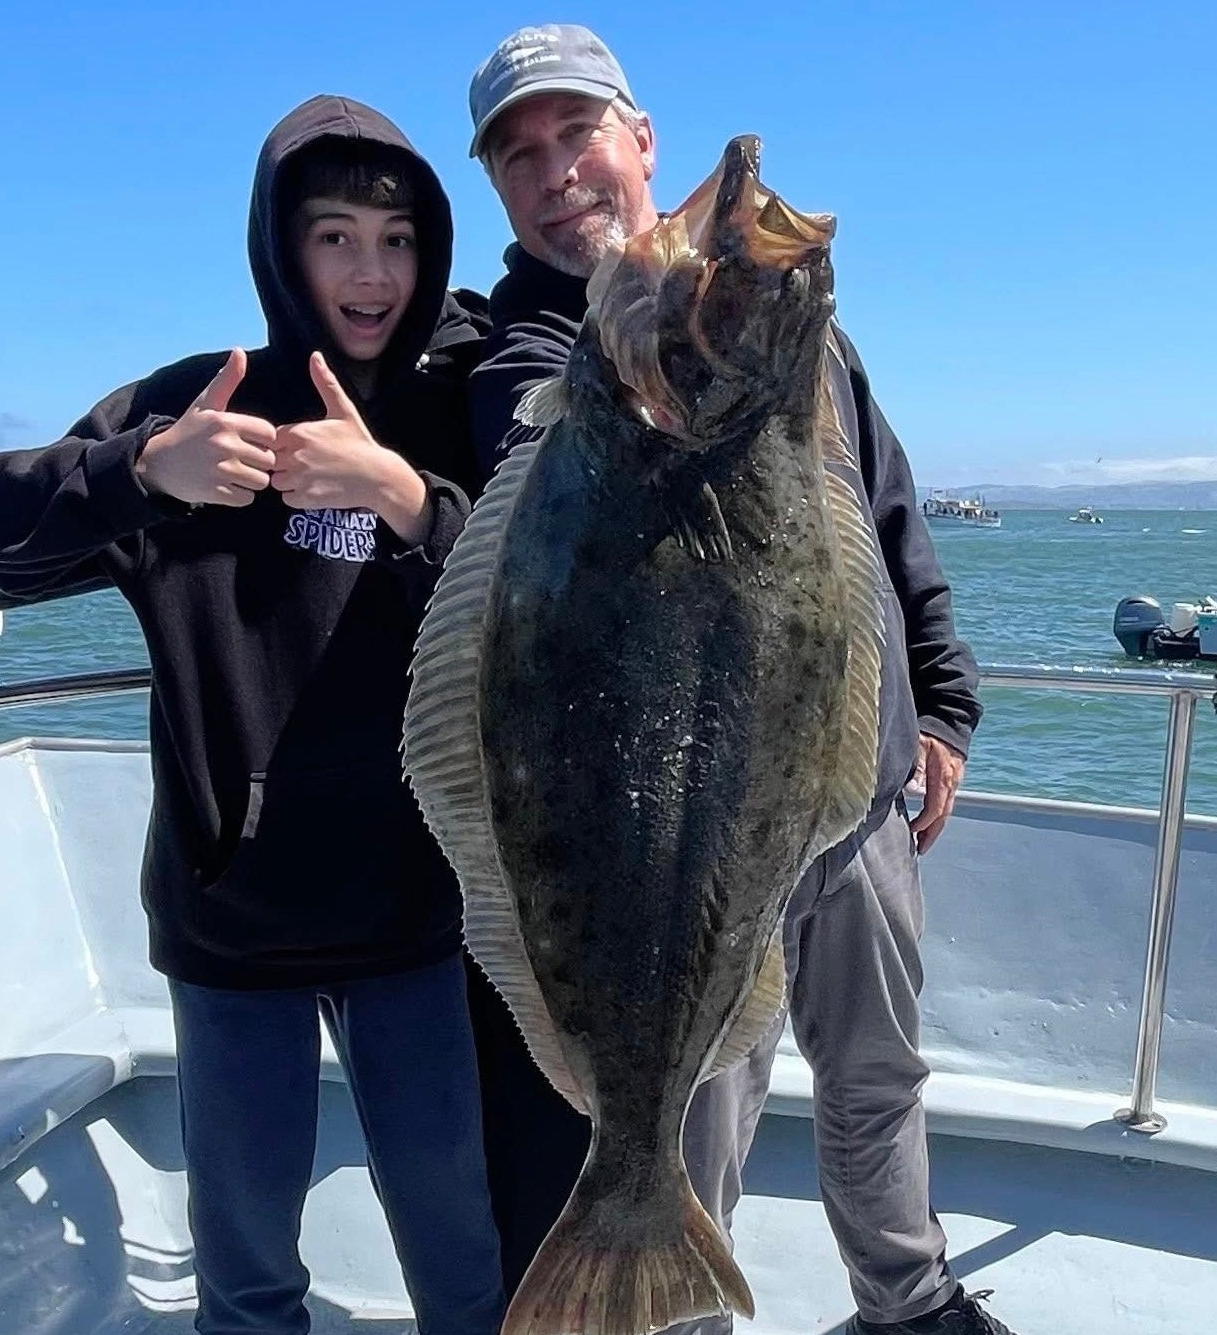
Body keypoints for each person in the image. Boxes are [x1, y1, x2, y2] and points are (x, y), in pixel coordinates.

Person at [463, 26, 1008, 1335]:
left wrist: (940, 701)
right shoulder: (521, 367)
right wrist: (649, 347)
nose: (554, 173)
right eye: (518, 155)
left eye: (575, 133)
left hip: (852, 799)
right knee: (687, 1111)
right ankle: (668, 1308)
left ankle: (910, 1294)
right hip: (672, 834)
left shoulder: (794, 348)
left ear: (638, 139)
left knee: (878, 1072)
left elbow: (882, 518)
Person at [0, 95, 505, 1335]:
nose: (372, 271)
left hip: (416, 914)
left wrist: (411, 501)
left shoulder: (450, 412)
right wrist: (140, 474)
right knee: (248, 1272)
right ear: (278, 246)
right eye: (336, 235)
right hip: (232, 921)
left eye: (400, 239)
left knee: (461, 1257)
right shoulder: (203, 400)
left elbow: (543, 598)